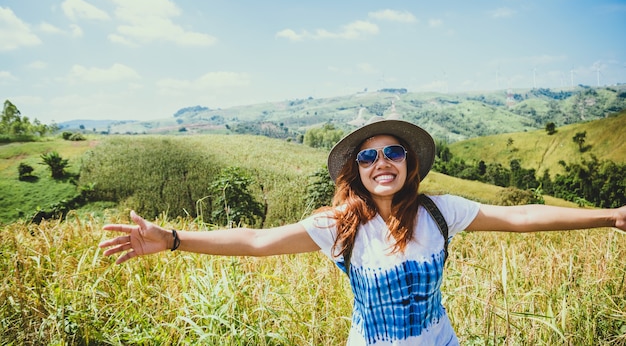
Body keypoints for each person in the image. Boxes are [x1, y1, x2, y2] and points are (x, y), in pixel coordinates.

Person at [99, 118, 626, 345]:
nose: (382, 162)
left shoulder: (441, 212)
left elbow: (521, 217)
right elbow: (258, 242)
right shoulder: (339, 227)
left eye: (393, 152)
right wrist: (171, 239)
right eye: (369, 156)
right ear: (357, 170)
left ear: (409, 162)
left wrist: (609, 215)